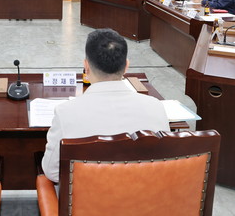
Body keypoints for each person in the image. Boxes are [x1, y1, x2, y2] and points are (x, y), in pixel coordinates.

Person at [41, 28, 169, 183]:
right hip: (142, 194)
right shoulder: (156, 107)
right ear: (126, 66)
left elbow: (52, 172)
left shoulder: (65, 113)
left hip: (88, 197)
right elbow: (163, 164)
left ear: (86, 67)